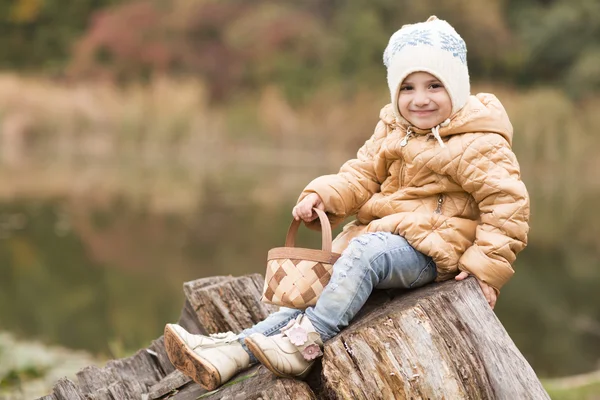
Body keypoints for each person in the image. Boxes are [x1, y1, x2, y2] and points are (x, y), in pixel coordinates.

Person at [163, 15, 530, 391]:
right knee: (311, 293)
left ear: (457, 86)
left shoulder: (479, 141)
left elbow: (507, 205)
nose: (419, 99)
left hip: (435, 248)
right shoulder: (393, 129)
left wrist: (486, 269)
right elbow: (360, 175)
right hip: (385, 238)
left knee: (366, 253)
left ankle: (308, 341)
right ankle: (235, 352)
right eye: (407, 88)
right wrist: (322, 194)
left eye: (434, 85)